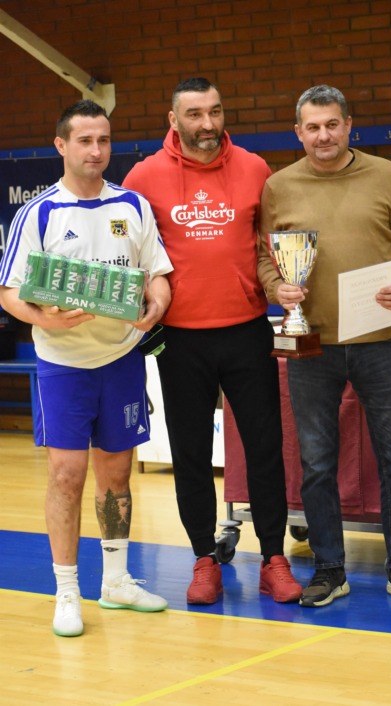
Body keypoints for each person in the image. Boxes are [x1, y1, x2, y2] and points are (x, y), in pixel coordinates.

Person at [257, 85, 391, 607]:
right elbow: (265, 257)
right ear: (298, 132)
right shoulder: (279, 187)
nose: (324, 136)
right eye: (313, 127)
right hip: (310, 344)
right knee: (317, 462)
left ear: (349, 125)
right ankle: (329, 568)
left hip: (380, 341)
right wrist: (277, 287)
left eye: (332, 124)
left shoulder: (387, 176)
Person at [123, 77, 302, 605]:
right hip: (180, 339)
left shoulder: (254, 168)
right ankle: (204, 558)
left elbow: (271, 248)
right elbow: (132, 255)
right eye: (195, 114)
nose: (208, 124)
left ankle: (273, 559)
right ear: (173, 119)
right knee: (191, 453)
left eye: (216, 112)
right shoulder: (143, 177)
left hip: (247, 330)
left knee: (265, 449)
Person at [0, 100, 173, 636]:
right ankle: (67, 590)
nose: (96, 151)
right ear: (61, 145)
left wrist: (157, 305)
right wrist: (43, 319)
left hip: (121, 358)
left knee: (116, 475)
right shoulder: (39, 213)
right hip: (64, 366)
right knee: (66, 475)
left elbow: (157, 274)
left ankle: (116, 581)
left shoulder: (133, 206)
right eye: (84, 141)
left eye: (103, 140)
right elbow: (9, 293)